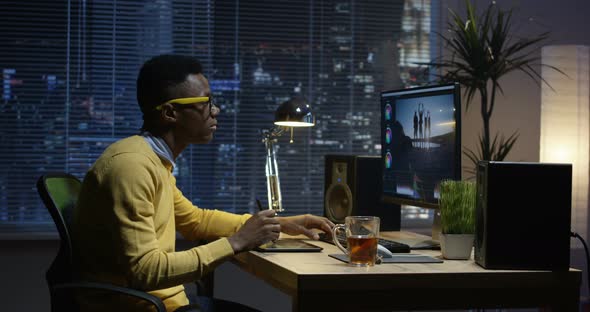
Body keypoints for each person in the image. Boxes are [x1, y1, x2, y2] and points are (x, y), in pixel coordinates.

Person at [70, 54, 334, 312]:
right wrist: (236, 242)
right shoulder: (131, 167)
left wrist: (282, 224)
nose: (216, 110)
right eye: (206, 102)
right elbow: (145, 271)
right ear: (170, 113)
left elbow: (195, 220)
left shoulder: (153, 160)